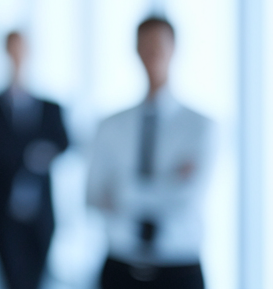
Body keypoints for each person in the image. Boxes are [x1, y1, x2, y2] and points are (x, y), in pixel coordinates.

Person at [87, 17, 212, 289]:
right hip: (120, 268)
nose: (153, 53)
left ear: (174, 49)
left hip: (179, 269)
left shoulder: (200, 127)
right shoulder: (110, 126)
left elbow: (186, 200)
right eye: (146, 45)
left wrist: (122, 190)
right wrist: (167, 184)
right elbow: (93, 197)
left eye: (159, 45)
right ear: (135, 49)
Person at [0, 32, 68, 289]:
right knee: (7, 275)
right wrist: (37, 150)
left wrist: (23, 150)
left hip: (40, 207)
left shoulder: (50, 106)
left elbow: (64, 142)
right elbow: (1, 149)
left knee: (38, 275)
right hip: (0, 205)